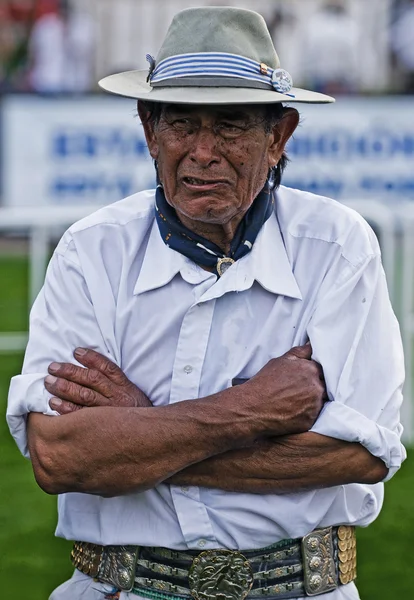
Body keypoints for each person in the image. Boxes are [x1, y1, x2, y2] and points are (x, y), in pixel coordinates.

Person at [6, 6, 406, 600]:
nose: (202, 151)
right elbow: (60, 457)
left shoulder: (338, 247)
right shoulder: (91, 251)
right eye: (181, 124)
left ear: (279, 137)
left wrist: (136, 432)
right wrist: (252, 409)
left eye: (230, 125)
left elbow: (361, 453)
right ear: (149, 131)